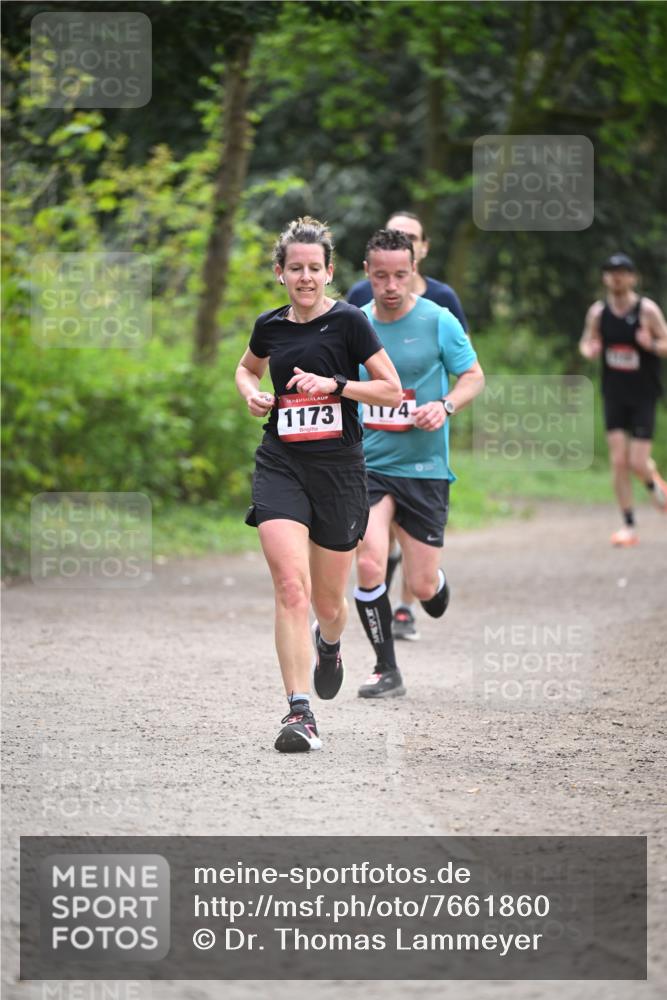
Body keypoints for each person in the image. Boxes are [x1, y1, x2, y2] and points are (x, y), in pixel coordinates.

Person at [235, 217, 402, 751]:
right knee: (291, 588)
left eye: (314, 268)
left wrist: (336, 385)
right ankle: (299, 713)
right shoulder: (270, 326)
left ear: (328, 272)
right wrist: (251, 393)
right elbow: (246, 369)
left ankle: (329, 645)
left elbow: (391, 390)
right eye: (294, 268)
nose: (305, 277)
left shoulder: (351, 321)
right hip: (281, 461)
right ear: (279, 273)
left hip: (339, 470)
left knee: (329, 604)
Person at [353, 229, 485, 698]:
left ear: (415, 272)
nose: (391, 285)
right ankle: (385, 668)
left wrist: (445, 405)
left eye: (401, 275)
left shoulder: (439, 320)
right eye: (381, 275)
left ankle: (435, 584)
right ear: (367, 273)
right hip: (368, 465)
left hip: (424, 469)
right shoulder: (355, 323)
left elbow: (473, 376)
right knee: (369, 562)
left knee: (422, 585)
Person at [579, 252, 667, 546]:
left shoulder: (647, 310)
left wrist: (651, 343)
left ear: (632, 277)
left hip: (643, 395)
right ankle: (628, 525)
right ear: (605, 277)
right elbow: (586, 341)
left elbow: (666, 343)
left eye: (622, 272)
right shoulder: (598, 313)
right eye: (611, 272)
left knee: (638, 463)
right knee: (619, 461)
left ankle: (656, 487)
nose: (616, 277)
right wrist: (589, 349)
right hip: (614, 394)